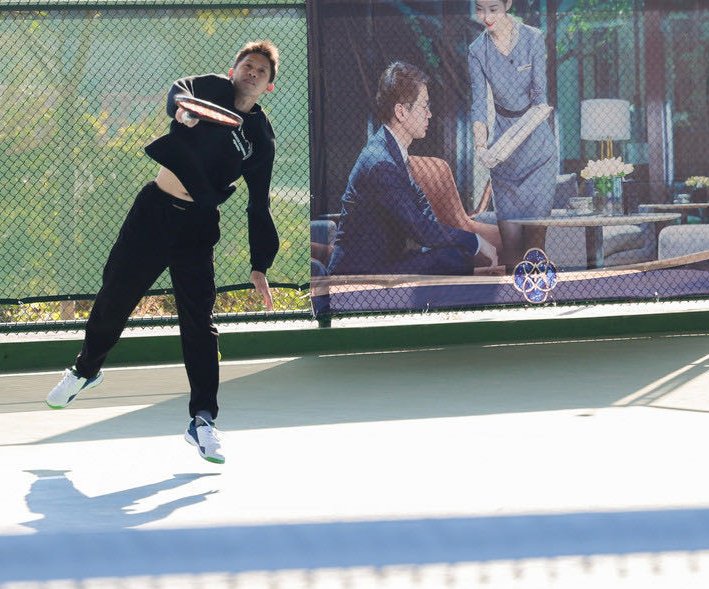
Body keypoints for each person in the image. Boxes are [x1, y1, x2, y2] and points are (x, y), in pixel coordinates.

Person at [44, 41, 280, 466]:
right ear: (233, 71)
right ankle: (85, 370)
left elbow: (258, 203)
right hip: (153, 212)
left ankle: (203, 420)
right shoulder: (209, 88)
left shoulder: (260, 138)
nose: (253, 72)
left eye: (261, 70)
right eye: (247, 65)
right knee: (115, 296)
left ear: (269, 86)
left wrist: (260, 263)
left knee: (199, 323)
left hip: (197, 228)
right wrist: (181, 109)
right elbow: (178, 90)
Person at [326, 61, 499, 276]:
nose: (429, 114)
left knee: (452, 254)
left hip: (384, 263)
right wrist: (475, 241)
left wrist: (461, 242)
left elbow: (423, 211)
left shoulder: (393, 151)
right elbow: (420, 229)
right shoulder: (381, 163)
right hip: (358, 275)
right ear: (401, 112)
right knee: (451, 258)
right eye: (424, 106)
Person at [468, 0, 560, 262]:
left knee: (535, 248)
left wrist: (510, 142)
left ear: (507, 3)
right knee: (511, 252)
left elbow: (540, 100)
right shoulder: (477, 51)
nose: (486, 17)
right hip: (504, 164)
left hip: (538, 157)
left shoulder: (533, 39)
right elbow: (479, 104)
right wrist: (481, 147)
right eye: (480, 9)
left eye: (493, 8)